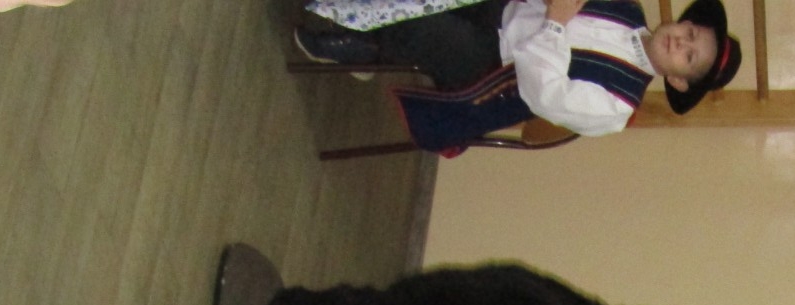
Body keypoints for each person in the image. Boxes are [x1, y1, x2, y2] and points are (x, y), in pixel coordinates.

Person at [294, 0, 741, 145]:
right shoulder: (627, 6)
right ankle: (372, 35)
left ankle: (368, 44)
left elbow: (544, 93)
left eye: (689, 57)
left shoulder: (617, 105)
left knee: (430, 30)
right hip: (504, 9)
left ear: (677, 80)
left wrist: (556, 24)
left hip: (495, 73)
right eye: (689, 32)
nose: (680, 42)